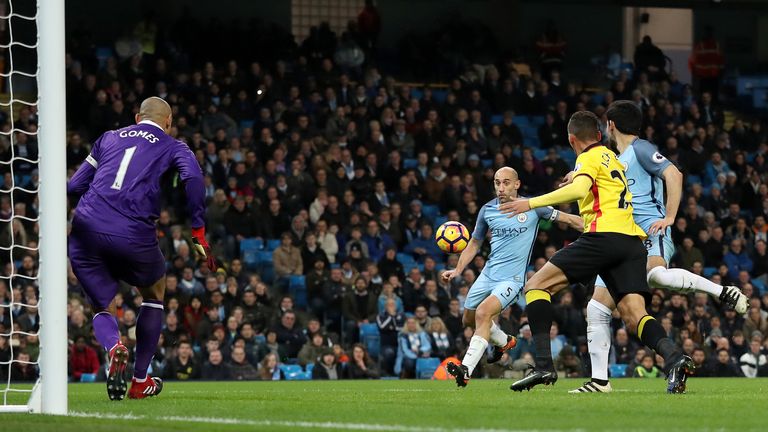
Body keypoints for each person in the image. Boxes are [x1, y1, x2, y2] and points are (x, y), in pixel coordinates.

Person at [501, 111, 692, 394]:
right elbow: (598, 184)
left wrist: (529, 203)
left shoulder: (587, 157)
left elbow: (580, 189)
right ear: (600, 136)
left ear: (571, 139)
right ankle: (674, 357)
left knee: (536, 286)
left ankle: (543, 365)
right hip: (631, 243)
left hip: (603, 236)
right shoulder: (612, 158)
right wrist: (578, 176)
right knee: (633, 313)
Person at [571, 101, 747, 394]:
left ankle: (722, 291)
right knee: (597, 307)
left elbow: (674, 174)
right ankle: (600, 381)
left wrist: (669, 217)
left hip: (651, 230)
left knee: (656, 277)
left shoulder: (640, 149)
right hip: (621, 238)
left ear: (611, 125)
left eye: (606, 125)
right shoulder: (615, 158)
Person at [67, 97, 216, 400]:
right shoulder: (174, 146)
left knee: (101, 305)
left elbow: (73, 187)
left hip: (86, 226)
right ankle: (139, 380)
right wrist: (198, 230)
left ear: (137, 117)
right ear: (168, 122)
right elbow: (194, 179)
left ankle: (114, 347)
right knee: (154, 292)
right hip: (132, 231)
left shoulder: (108, 137)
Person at [442, 167, 583, 387]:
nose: (501, 188)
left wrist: (597, 226)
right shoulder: (487, 210)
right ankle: (504, 341)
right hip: (488, 274)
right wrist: (458, 270)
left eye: (506, 183)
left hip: (512, 279)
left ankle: (465, 369)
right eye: (497, 183)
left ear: (517, 184)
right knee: (468, 320)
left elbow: (569, 220)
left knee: (483, 313)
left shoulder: (534, 207)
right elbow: (475, 243)